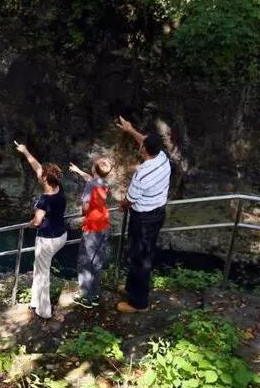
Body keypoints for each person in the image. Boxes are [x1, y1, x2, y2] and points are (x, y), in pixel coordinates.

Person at [115, 117, 171, 313]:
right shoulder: (163, 157)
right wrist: (130, 129)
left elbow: (129, 199)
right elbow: (146, 141)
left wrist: (122, 205)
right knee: (139, 255)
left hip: (143, 220)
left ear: (144, 150)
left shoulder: (143, 174)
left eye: (142, 145)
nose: (140, 145)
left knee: (141, 260)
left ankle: (138, 303)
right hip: (157, 214)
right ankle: (131, 289)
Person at [15, 142, 67, 319]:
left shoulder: (45, 199)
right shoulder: (58, 188)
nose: (38, 174)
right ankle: (35, 302)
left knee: (43, 274)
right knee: (39, 269)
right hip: (61, 235)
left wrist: (31, 223)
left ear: (45, 178)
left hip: (47, 240)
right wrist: (25, 151)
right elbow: (38, 167)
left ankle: (44, 311)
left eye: (41, 174)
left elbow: (37, 221)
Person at [68, 157, 113, 308]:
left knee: (85, 261)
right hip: (104, 225)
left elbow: (86, 205)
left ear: (94, 169)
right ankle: (95, 294)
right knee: (97, 262)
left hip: (93, 226)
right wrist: (78, 171)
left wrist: (83, 213)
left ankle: (85, 296)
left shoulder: (90, 185)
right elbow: (91, 179)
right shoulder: (103, 183)